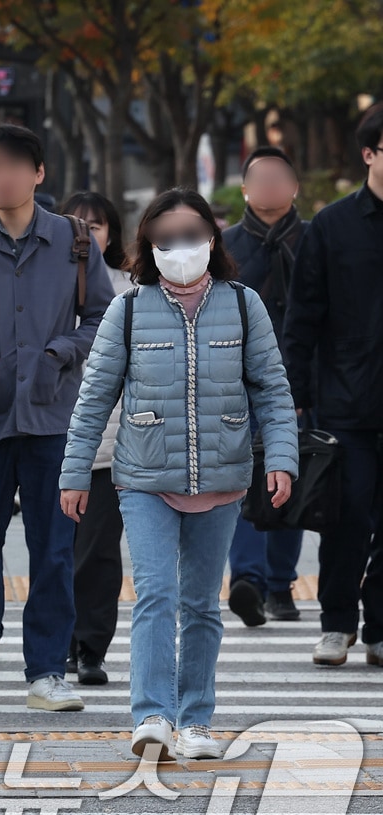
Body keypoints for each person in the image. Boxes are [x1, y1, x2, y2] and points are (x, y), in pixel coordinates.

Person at [61, 187, 297, 759]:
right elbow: (95, 397)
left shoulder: (243, 305)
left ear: (212, 240)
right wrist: (73, 471)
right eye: (165, 240)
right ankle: (152, 716)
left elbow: (272, 388)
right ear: (148, 247)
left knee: (200, 606)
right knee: (155, 596)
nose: (179, 248)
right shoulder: (129, 308)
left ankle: (194, 720)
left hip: (221, 477)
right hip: (144, 477)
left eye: (190, 236)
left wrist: (283, 458)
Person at [0, 122, 115, 711]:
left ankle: (46, 670)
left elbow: (102, 319)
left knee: (54, 546)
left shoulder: (76, 243)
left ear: (37, 174)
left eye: (16, 165)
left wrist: (60, 353)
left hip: (54, 419)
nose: (3, 177)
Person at [285, 103, 383, 667]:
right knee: (347, 515)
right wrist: (295, 394)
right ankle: (337, 623)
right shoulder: (333, 226)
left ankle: (379, 628)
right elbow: (303, 317)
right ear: (368, 154)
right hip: (347, 398)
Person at [222, 146, 308, 627]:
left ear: (295, 187)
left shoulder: (316, 240)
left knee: (290, 481)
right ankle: (247, 582)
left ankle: (281, 584)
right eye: (262, 178)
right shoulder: (226, 244)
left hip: (298, 382)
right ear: (245, 189)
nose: (271, 187)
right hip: (235, 384)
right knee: (244, 482)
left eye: (281, 177)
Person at [59, 190, 133, 686]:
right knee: (57, 548)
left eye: (98, 224)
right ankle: (56, 642)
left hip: (111, 443)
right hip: (50, 435)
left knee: (100, 551)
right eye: (77, 222)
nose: (87, 231)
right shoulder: (42, 283)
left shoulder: (137, 287)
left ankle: (90, 647)